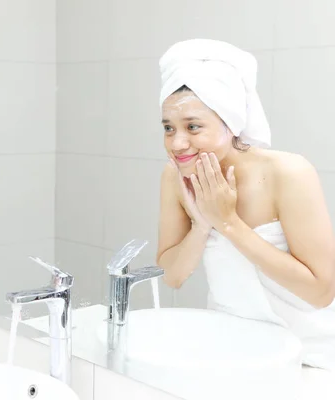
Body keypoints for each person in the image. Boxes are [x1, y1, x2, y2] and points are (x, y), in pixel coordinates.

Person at [156, 39, 335, 370]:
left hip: (309, 359)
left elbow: (321, 292)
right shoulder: (176, 178)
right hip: (232, 350)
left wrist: (229, 224)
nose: (177, 143)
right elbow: (172, 276)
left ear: (230, 122)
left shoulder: (288, 173)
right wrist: (201, 225)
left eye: (193, 127)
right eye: (169, 128)